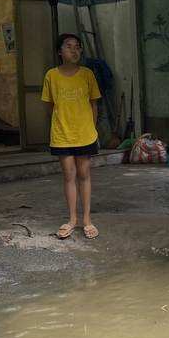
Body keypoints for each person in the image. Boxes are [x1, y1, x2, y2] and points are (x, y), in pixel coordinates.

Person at [41, 34, 102, 239]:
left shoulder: (87, 75)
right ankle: (72, 219)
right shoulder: (51, 76)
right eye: (69, 47)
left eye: (78, 47)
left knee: (84, 173)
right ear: (60, 52)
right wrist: (63, 122)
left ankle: (87, 219)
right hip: (62, 134)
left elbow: (94, 103)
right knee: (69, 174)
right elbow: (50, 106)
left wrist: (91, 129)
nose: (74, 50)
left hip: (85, 133)